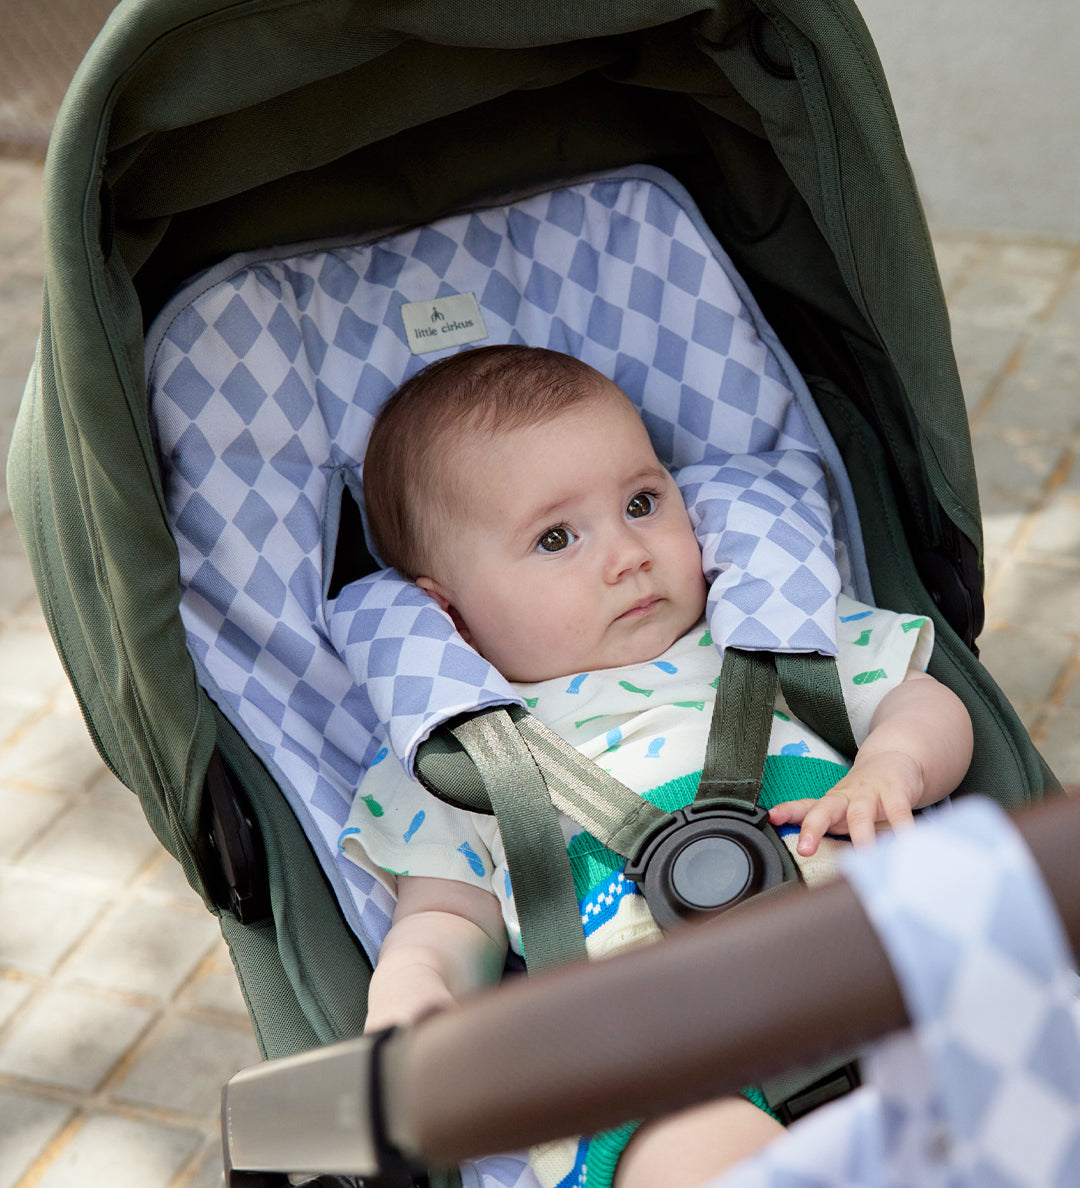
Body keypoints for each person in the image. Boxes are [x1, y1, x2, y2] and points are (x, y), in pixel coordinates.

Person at [343, 344, 974, 1188]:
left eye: (643, 502)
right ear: (446, 611)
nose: (628, 553)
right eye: (556, 537)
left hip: (868, 972)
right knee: (689, 1163)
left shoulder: (773, 633)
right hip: (654, 1059)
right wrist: (413, 1003)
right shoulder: (457, 757)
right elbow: (446, 920)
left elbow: (924, 700)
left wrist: (895, 763)